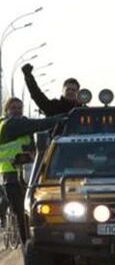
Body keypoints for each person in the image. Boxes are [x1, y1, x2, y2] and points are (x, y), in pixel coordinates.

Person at [0, 98, 66, 244]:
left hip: (25, 175)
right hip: (12, 176)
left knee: (28, 211)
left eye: (19, 107)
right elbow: (37, 124)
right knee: (22, 214)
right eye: (13, 108)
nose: (17, 110)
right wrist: (61, 118)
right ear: (7, 110)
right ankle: (27, 247)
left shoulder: (20, 124)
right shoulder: (11, 125)